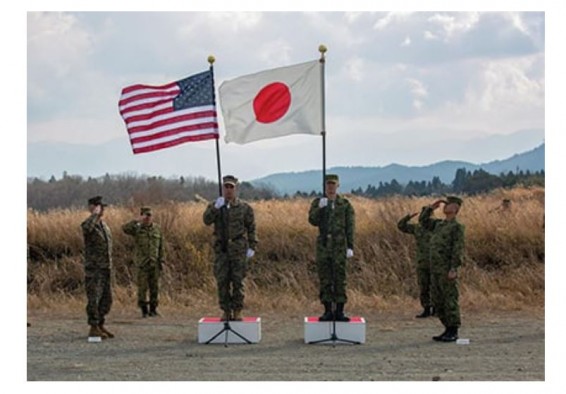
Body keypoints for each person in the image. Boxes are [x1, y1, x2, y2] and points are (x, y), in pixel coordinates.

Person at [203, 175, 257, 321]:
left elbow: (251, 227)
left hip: (238, 248)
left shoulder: (244, 208)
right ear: (222, 188)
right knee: (222, 281)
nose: (228, 190)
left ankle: (237, 310)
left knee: (238, 281)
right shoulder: (216, 205)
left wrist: (252, 246)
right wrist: (215, 208)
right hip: (222, 249)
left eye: (231, 187)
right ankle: (226, 310)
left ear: (235, 188)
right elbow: (206, 220)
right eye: (226, 187)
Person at [308, 174, 355, 322]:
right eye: (328, 184)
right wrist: (320, 209)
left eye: (333, 184)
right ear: (324, 185)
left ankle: (340, 311)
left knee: (340, 278)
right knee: (325, 278)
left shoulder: (345, 204)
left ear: (338, 185)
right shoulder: (318, 202)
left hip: (340, 245)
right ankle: (328, 310)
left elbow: (350, 226)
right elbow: (312, 221)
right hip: (324, 244)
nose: (330, 187)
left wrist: (350, 246)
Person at [419, 196, 465, 342]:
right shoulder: (439, 225)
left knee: (449, 299)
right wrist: (431, 208)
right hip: (436, 269)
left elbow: (457, 249)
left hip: (446, 269)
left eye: (449, 204)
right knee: (438, 300)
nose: (445, 206)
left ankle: (453, 330)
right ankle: (446, 328)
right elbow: (423, 222)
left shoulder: (457, 227)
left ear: (456, 209)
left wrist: (453, 268)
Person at [80, 196, 114, 339]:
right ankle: (93, 327)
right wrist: (94, 214)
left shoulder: (103, 225)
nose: (102, 210)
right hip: (94, 269)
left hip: (105, 267)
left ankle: (100, 324)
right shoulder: (89, 224)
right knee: (94, 298)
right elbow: (86, 228)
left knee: (106, 299)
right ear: (92, 207)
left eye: (102, 207)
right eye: (99, 207)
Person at [122, 207, 165, 318]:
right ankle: (144, 310)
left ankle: (153, 309)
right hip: (142, 264)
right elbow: (125, 228)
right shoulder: (137, 228)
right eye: (146, 215)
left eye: (149, 215)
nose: (148, 218)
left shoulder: (157, 229)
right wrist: (137, 221)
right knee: (142, 288)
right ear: (142, 216)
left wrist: (162, 260)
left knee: (154, 287)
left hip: (154, 263)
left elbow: (161, 246)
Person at [397, 208, 434, 318]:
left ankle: (437, 308)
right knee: (424, 286)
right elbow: (401, 226)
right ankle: (426, 308)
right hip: (422, 261)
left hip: (436, 261)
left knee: (436, 287)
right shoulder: (418, 228)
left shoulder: (436, 227)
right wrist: (409, 216)